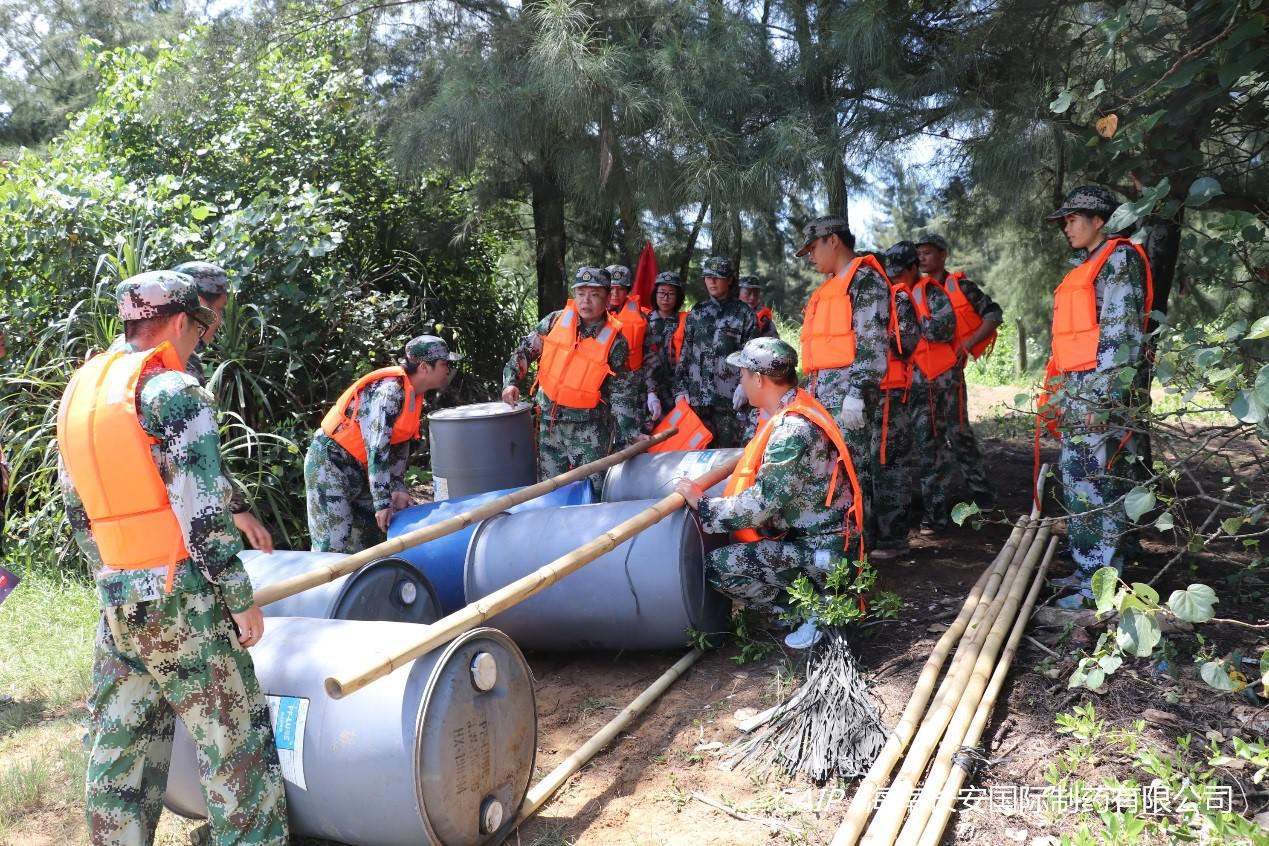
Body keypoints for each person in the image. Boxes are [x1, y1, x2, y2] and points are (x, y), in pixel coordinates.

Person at [56, 271, 288, 846]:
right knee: (235, 746)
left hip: (117, 597)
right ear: (183, 321)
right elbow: (202, 514)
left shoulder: (83, 394)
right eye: (202, 328)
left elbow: (77, 509)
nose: (200, 341)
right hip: (182, 597)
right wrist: (238, 597)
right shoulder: (173, 391)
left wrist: (116, 575)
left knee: (120, 751)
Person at [675, 337, 862, 650]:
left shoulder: (791, 431)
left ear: (759, 379)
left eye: (743, 375)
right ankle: (810, 600)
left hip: (824, 551)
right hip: (823, 539)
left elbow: (761, 505)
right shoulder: (798, 405)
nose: (741, 382)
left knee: (719, 566)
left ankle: (814, 610)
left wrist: (704, 505)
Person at [1040, 186, 1152, 609]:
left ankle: (1098, 588)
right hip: (1078, 390)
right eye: (1065, 221)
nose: (1066, 228)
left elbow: (1123, 334)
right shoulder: (1086, 265)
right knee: (1080, 482)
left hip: (1098, 394)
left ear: (1099, 220)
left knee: (1096, 484)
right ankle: (1090, 569)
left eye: (1072, 219)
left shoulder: (1118, 259)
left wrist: (1102, 399)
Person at [306, 335, 461, 552]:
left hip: (361, 470)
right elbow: (377, 448)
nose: (448, 370)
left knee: (371, 541)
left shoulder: (413, 395)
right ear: (425, 367)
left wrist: (396, 488)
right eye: (444, 364)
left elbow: (398, 445)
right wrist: (382, 502)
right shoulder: (389, 392)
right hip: (331, 464)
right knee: (331, 545)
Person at [502, 267, 644, 492]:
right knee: (549, 491)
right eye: (581, 293)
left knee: (592, 492)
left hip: (590, 432)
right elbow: (525, 350)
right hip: (549, 426)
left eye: (594, 294)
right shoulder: (555, 321)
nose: (586, 301)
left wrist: (631, 433)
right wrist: (511, 381)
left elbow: (622, 394)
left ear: (608, 297)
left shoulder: (616, 342)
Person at [797, 216, 890, 551]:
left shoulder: (864, 281)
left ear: (833, 240)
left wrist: (858, 392)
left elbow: (872, 341)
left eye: (812, 248)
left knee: (854, 471)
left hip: (848, 397)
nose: (810, 256)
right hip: (822, 397)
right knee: (832, 473)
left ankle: (861, 549)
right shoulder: (830, 286)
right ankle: (842, 545)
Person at [915, 235, 1003, 509]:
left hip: (951, 375)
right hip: (922, 376)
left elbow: (993, 315)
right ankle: (939, 498)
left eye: (928, 253)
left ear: (943, 255)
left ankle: (981, 491)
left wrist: (968, 344)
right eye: (919, 254)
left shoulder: (961, 287)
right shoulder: (915, 290)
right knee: (930, 437)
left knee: (959, 432)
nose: (922, 258)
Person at [868, 243, 921, 560]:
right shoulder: (856, 300)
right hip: (864, 395)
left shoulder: (897, 299)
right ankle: (870, 536)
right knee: (868, 466)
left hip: (890, 395)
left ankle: (893, 539)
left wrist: (870, 334)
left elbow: (906, 343)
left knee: (889, 466)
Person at [672, 256, 759, 448]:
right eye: (708, 276)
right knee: (697, 456)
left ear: (729, 280)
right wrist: (680, 390)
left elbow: (752, 356)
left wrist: (745, 386)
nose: (711, 281)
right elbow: (686, 354)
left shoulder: (744, 314)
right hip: (698, 401)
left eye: (717, 277)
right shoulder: (697, 312)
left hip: (730, 401)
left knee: (728, 455)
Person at [908, 247, 960, 536]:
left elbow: (945, 328)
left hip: (931, 384)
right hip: (899, 388)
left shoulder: (930, 293)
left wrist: (909, 323)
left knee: (932, 447)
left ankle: (936, 514)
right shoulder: (888, 293)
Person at [607, 263, 656, 425]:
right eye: (611, 288)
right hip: (599, 388)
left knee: (631, 433)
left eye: (620, 289)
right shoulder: (590, 315)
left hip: (631, 388)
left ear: (627, 290)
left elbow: (649, 356)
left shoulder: (641, 318)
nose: (615, 293)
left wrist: (651, 391)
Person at [644, 270, 687, 424]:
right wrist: (650, 391)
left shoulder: (685, 322)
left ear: (678, 297)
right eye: (662, 293)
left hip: (676, 389)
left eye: (671, 294)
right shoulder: (644, 321)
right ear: (655, 294)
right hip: (648, 390)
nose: (666, 298)